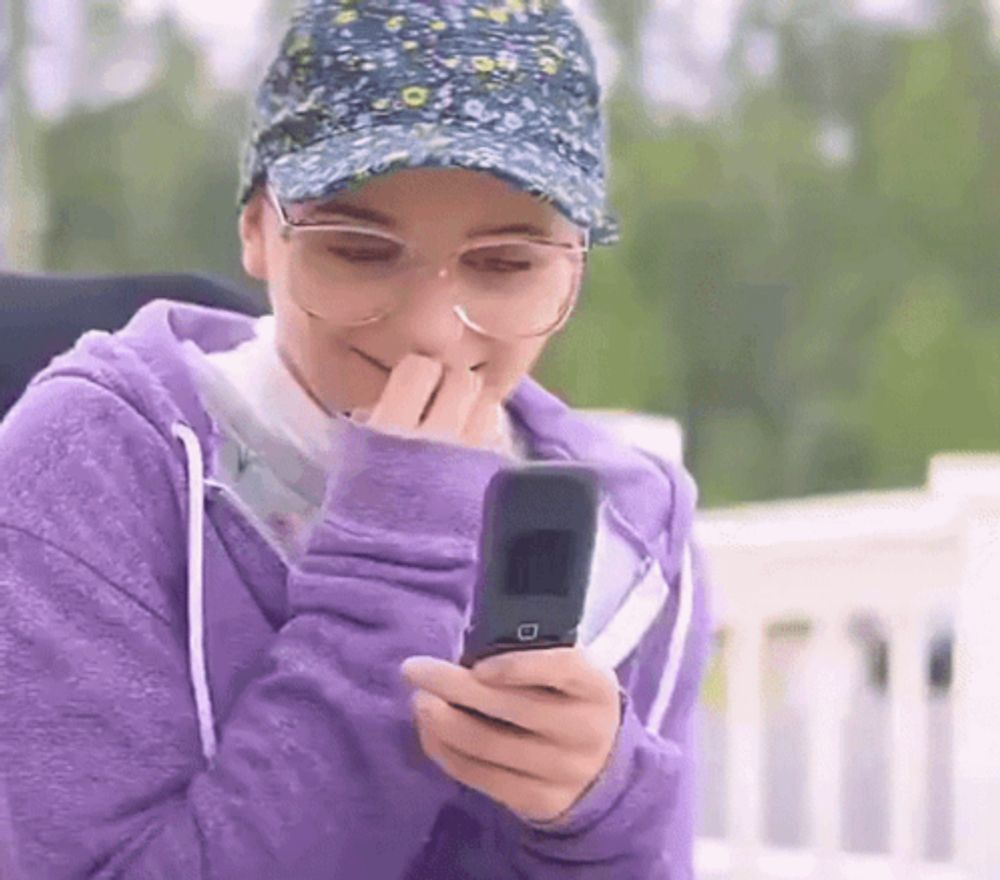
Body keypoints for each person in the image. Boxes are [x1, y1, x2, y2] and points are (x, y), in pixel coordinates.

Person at [0, 1, 713, 877]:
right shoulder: (94, 461)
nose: (432, 332)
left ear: (575, 264)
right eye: (359, 250)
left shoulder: (633, 533)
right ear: (259, 228)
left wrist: (601, 816)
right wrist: (392, 568)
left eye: (504, 265)